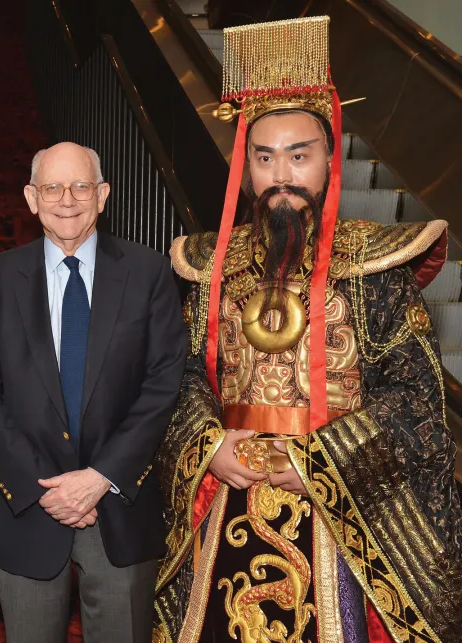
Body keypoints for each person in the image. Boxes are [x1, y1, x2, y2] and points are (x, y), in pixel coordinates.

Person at [154, 17, 462, 643]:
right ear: (245, 164)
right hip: (232, 497)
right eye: (264, 157)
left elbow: (416, 400)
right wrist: (213, 446)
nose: (283, 175)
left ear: (328, 158)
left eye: (301, 154)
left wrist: (321, 460)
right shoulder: (213, 266)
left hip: (342, 513)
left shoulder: (376, 268)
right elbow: (181, 379)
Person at [0, 142, 187, 643]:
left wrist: (102, 476)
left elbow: (164, 380)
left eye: (81, 186)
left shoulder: (148, 274)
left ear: (102, 195)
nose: (67, 199)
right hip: (30, 507)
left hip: (120, 505)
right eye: (52, 187)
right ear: (30, 198)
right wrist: (43, 485)